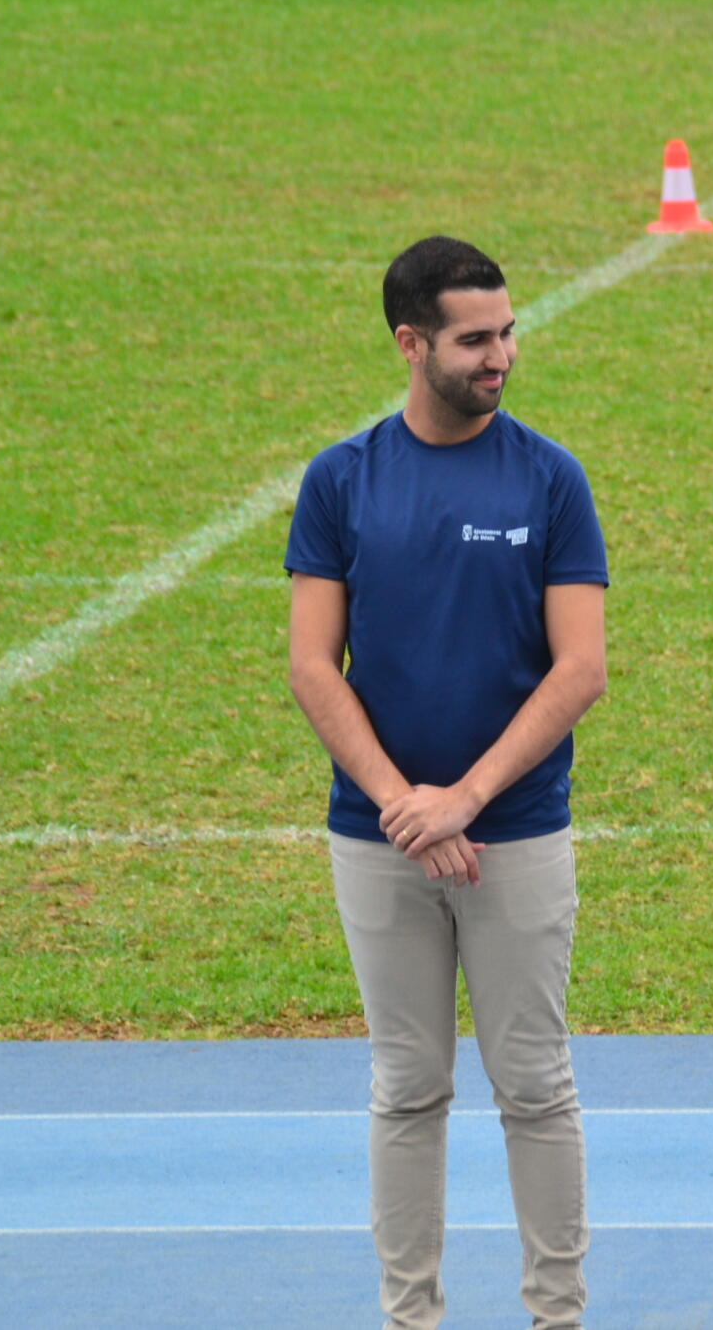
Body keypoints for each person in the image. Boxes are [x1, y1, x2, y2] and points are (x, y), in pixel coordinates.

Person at [284, 235, 609, 1330]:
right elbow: (312, 667)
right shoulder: (341, 480)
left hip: (514, 834)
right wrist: (406, 807)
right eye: (475, 339)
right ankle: (409, 1316)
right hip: (380, 837)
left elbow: (580, 668)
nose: (501, 355)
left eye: (507, 332)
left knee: (535, 1085)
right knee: (407, 1085)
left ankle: (556, 1315)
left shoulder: (550, 478)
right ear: (410, 343)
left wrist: (462, 799)